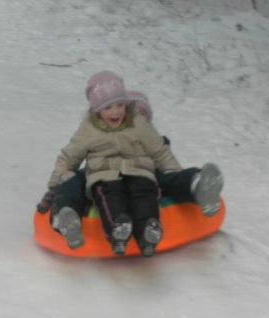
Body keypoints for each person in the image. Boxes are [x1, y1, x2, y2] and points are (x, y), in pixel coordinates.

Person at [39, 83, 224, 253]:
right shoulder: (97, 139)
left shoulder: (151, 140)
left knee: (167, 178)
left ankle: (199, 185)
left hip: (145, 173)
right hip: (103, 173)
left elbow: (164, 158)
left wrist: (177, 173)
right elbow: (71, 157)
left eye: (142, 117)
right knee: (75, 180)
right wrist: (55, 188)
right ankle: (65, 214)